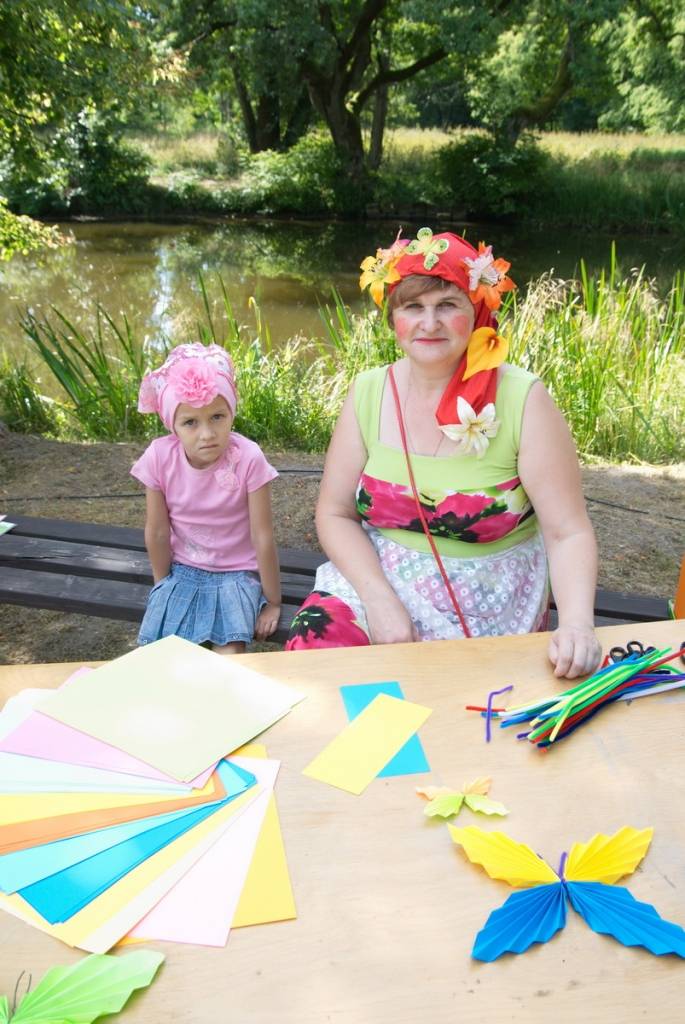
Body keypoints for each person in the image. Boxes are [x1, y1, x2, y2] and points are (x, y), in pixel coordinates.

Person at [286, 228, 601, 679]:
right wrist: (379, 600)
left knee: (458, 711)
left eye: (447, 306)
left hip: (487, 591)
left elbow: (567, 531)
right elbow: (335, 513)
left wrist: (577, 625)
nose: (428, 323)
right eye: (413, 307)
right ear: (393, 318)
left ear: (476, 313)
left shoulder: (521, 398)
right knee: (318, 664)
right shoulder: (369, 392)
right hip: (380, 575)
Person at [131, 342, 281, 654]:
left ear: (231, 413)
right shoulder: (159, 457)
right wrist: (162, 586)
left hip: (236, 573)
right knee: (166, 657)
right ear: (172, 424)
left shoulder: (248, 458)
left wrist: (273, 602)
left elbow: (262, 535)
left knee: (230, 659)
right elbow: (157, 531)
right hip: (183, 569)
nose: (207, 434)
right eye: (190, 422)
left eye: (217, 417)